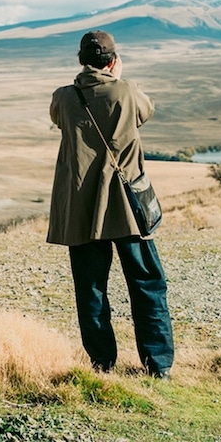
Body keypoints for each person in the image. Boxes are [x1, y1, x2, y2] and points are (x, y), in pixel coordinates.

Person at [47, 30, 174, 377]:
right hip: (127, 209)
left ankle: (102, 365)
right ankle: (158, 366)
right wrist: (115, 79)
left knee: (91, 290)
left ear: (80, 61)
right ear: (114, 61)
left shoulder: (63, 97)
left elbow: (59, 119)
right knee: (147, 284)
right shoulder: (127, 91)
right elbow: (146, 111)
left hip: (81, 212)